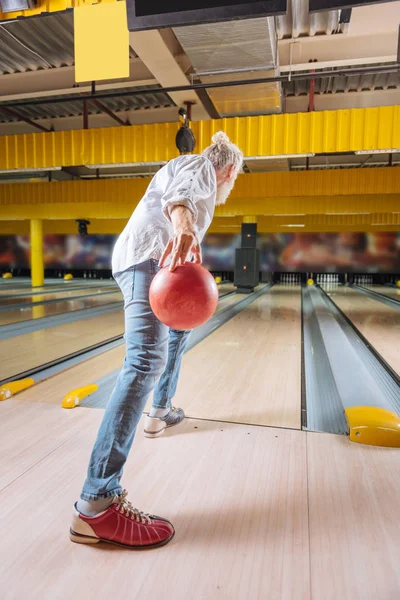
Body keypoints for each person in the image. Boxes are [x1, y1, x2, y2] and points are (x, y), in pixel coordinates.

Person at [70, 131, 243, 550]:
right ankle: (98, 503)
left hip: (149, 260)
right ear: (230, 170)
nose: (232, 186)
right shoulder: (200, 165)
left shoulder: (192, 174)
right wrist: (184, 227)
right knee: (146, 359)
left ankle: (160, 410)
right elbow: (180, 198)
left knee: (177, 335)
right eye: (235, 178)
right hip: (150, 257)